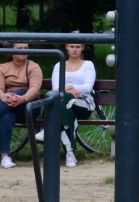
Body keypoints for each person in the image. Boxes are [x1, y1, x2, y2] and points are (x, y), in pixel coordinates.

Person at [0, 42, 42, 169]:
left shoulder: (34, 67)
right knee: (6, 116)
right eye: (19, 48)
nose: (23, 51)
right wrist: (3, 96)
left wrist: (22, 98)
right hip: (9, 105)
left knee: (16, 92)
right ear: (12, 51)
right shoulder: (2, 68)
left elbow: (34, 88)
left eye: (25, 48)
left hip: (29, 107)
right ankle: (5, 157)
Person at [34, 35, 96, 168]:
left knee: (63, 99)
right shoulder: (59, 65)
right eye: (72, 46)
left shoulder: (88, 65)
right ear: (66, 47)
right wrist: (67, 90)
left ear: (82, 48)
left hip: (83, 104)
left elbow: (88, 87)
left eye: (78, 47)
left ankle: (47, 130)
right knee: (67, 111)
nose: (74, 49)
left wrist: (67, 88)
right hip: (65, 105)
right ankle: (70, 153)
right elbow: (55, 88)